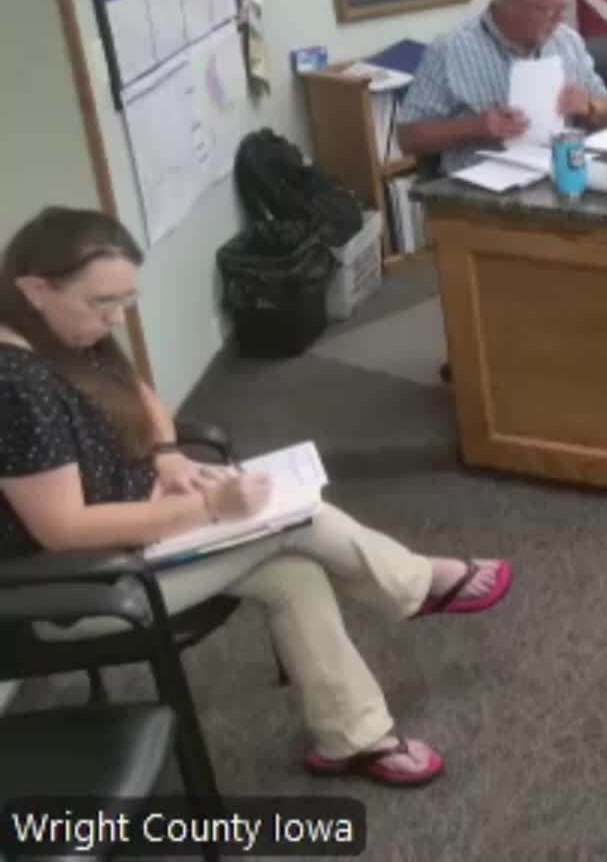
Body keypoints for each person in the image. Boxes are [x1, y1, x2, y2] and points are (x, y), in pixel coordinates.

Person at [0, 208, 513, 787]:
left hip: (140, 528)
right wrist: (208, 509)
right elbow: (63, 530)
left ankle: (353, 738)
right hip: (78, 589)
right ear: (35, 289)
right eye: (102, 304)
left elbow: (141, 400)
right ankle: (415, 583)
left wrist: (166, 455)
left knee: (294, 575)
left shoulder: (65, 333)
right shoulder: (14, 385)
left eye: (125, 303)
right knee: (294, 522)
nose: (116, 319)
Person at [398, 0, 607, 176]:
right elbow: (407, 138)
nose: (559, 21)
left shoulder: (567, 40)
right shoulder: (450, 50)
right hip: (483, 186)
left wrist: (589, 107)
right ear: (510, 6)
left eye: (563, 10)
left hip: (562, 173)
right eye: (549, 11)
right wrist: (475, 128)